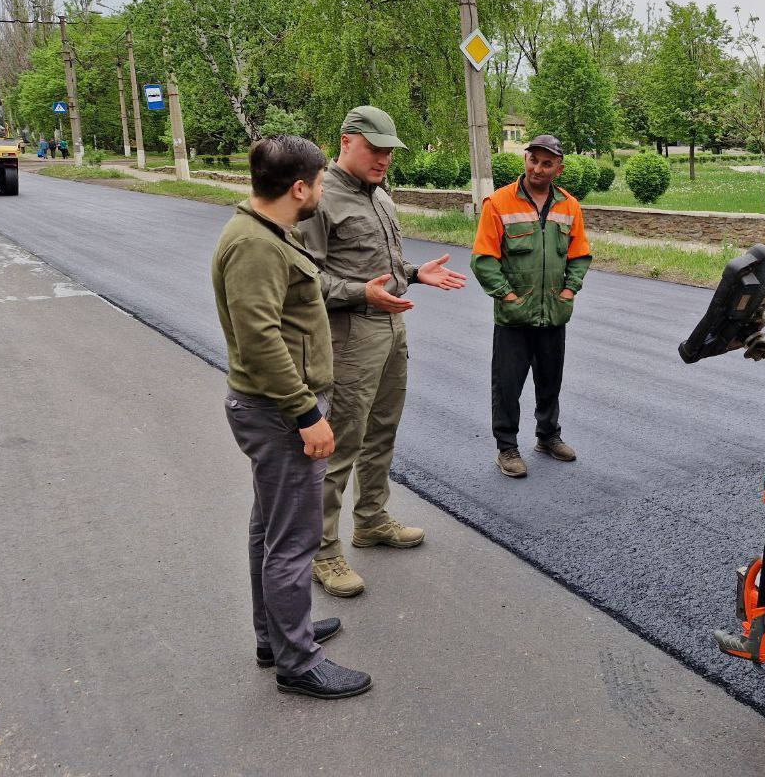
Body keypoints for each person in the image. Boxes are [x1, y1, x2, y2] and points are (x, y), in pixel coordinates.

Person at [211, 134, 371, 700]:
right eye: (321, 182)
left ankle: (276, 636)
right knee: (293, 540)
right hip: (280, 412)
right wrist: (307, 413)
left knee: (270, 530)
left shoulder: (268, 233)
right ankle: (297, 662)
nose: (323, 191)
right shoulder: (256, 245)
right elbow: (259, 340)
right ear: (299, 188)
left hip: (272, 409)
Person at [299, 106, 467, 598]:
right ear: (347, 140)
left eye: (390, 149)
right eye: (375, 148)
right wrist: (362, 294)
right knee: (341, 444)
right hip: (350, 337)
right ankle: (323, 552)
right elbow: (307, 280)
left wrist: (415, 274)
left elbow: (377, 261)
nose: (385, 158)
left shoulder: (380, 197)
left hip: (392, 329)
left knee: (382, 431)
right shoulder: (320, 198)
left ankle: (371, 519)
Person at [470, 134, 592, 478]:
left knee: (550, 380)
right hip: (513, 317)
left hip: (554, 312)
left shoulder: (569, 205)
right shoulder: (499, 202)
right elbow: (483, 260)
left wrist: (569, 290)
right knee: (507, 385)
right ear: (525, 159)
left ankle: (548, 436)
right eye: (533, 160)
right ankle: (507, 448)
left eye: (546, 163)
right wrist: (507, 295)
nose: (537, 168)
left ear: (559, 169)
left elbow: (580, 255)